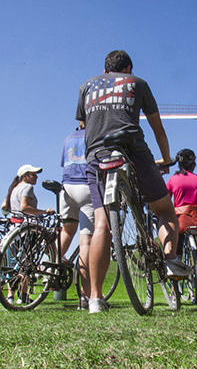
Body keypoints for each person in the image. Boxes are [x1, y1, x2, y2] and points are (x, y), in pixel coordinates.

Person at [76, 50, 191, 314]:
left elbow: (84, 125)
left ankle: (94, 298)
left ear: (105, 70)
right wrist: (165, 158)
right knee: (163, 209)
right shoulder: (138, 83)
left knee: (102, 223)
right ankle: (171, 259)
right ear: (127, 68)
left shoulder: (86, 87)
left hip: (97, 155)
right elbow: (157, 127)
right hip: (132, 148)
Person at [1, 164, 55, 304]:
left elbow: (4, 207)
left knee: (14, 263)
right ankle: (23, 295)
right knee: (27, 262)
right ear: (25, 175)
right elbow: (25, 207)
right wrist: (45, 212)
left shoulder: (14, 188)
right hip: (27, 229)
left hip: (14, 229)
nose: (36, 177)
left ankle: (10, 296)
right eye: (33, 174)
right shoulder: (27, 187)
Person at [166, 148, 197, 303]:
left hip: (179, 220)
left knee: (176, 255)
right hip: (196, 220)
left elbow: (166, 201)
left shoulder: (173, 180)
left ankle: (174, 291)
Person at [58, 126, 95, 309]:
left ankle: (51, 267)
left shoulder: (69, 137)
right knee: (86, 240)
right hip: (85, 186)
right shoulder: (94, 134)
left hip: (66, 188)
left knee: (67, 230)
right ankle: (86, 295)